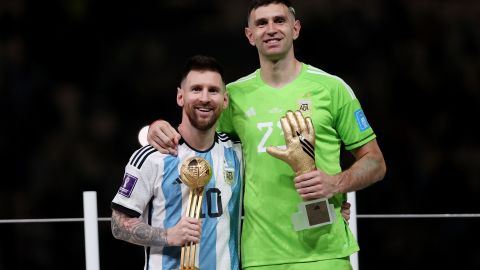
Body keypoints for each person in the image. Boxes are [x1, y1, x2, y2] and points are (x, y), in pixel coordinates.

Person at [147, 0, 386, 269]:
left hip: (324, 252)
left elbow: (375, 162)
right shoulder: (233, 97)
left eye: (279, 21)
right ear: (250, 36)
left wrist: (337, 183)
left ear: (295, 29)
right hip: (258, 256)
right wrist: (153, 128)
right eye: (261, 23)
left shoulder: (332, 89)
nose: (271, 29)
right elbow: (192, 138)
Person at [111, 55, 243, 270]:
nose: (205, 98)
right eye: (196, 89)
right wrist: (168, 235)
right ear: (180, 97)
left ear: (225, 100)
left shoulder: (237, 153)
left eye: (213, 90)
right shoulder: (151, 157)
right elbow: (118, 225)